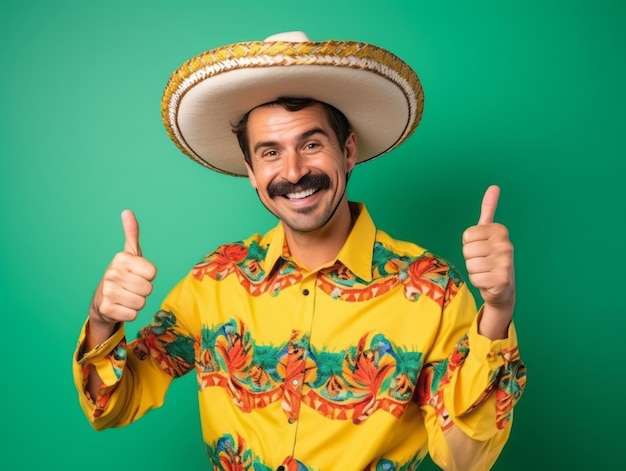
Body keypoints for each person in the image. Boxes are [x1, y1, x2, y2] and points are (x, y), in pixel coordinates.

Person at [73, 31, 526, 470]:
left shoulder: (433, 290)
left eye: (311, 145)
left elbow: (465, 460)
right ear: (250, 171)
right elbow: (112, 404)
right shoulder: (214, 281)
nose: (293, 172)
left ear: (348, 151)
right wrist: (101, 319)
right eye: (270, 153)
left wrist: (497, 311)